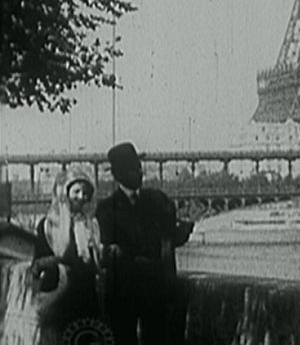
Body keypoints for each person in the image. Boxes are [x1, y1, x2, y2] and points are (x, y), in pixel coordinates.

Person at [95, 142, 194, 345]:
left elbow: (169, 238)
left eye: (139, 168)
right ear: (118, 174)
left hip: (156, 291)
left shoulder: (157, 200)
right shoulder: (106, 209)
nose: (139, 173)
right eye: (133, 169)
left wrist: (182, 232)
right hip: (123, 293)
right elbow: (108, 250)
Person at [31, 169, 103, 339]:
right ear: (65, 193)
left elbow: (95, 260)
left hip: (85, 292)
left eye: (85, 193)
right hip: (57, 292)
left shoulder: (91, 224)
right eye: (76, 191)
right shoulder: (49, 225)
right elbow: (38, 261)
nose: (81, 197)